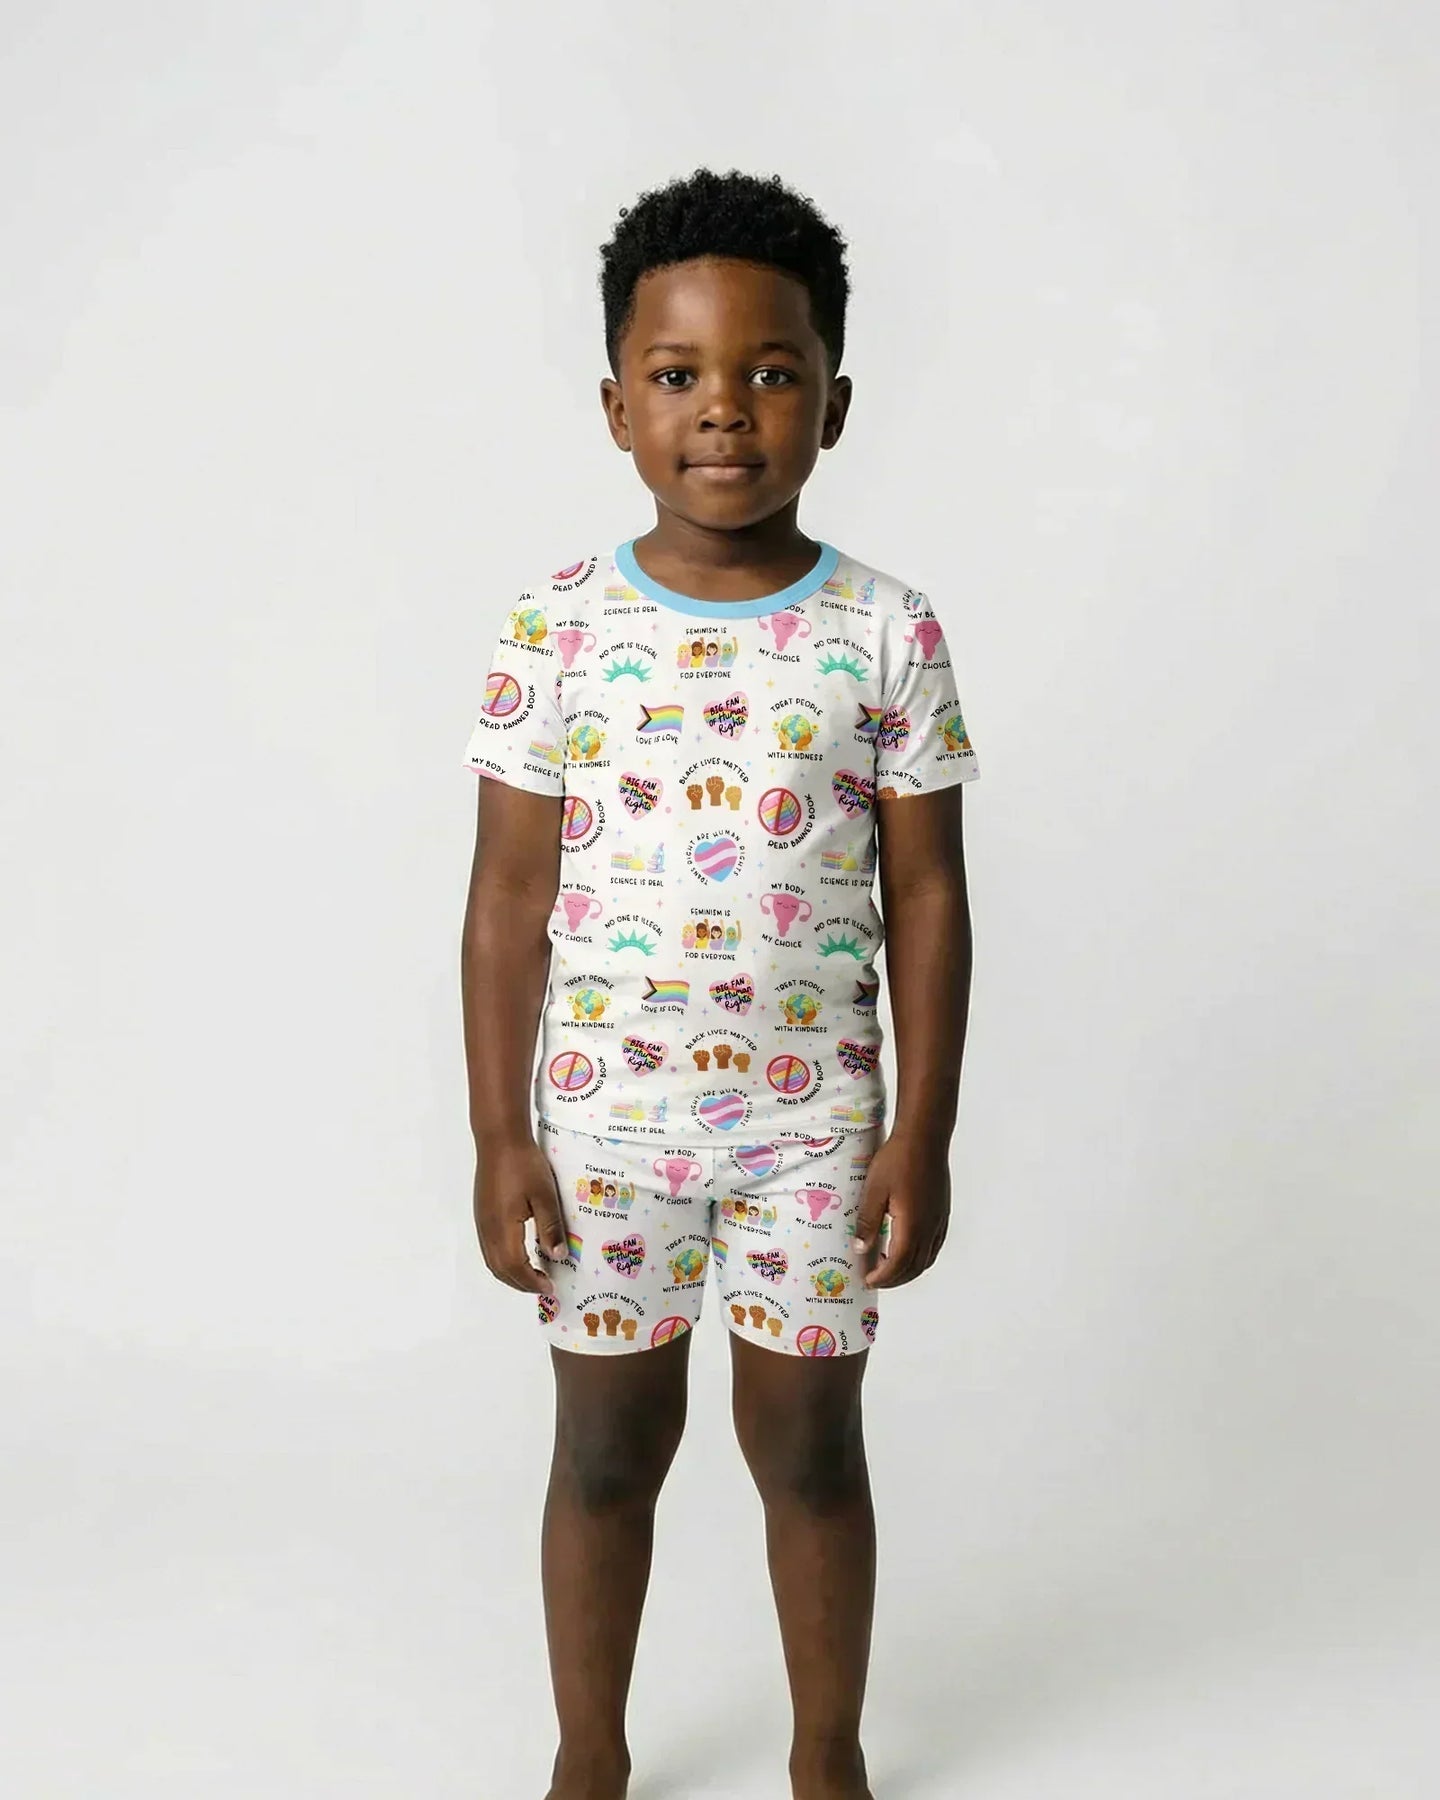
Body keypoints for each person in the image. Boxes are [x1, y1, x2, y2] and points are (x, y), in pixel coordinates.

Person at [459, 166, 981, 1800]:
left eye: (771, 372)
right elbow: (507, 898)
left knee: (809, 1452)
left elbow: (927, 893)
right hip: (607, 1131)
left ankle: (828, 1754)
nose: (726, 411)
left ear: (835, 399)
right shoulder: (555, 626)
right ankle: (590, 1759)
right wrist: (499, 1133)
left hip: (813, 1132)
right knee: (607, 1454)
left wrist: (919, 1133)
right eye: (679, 374)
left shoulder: (888, 632)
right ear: (619, 405)